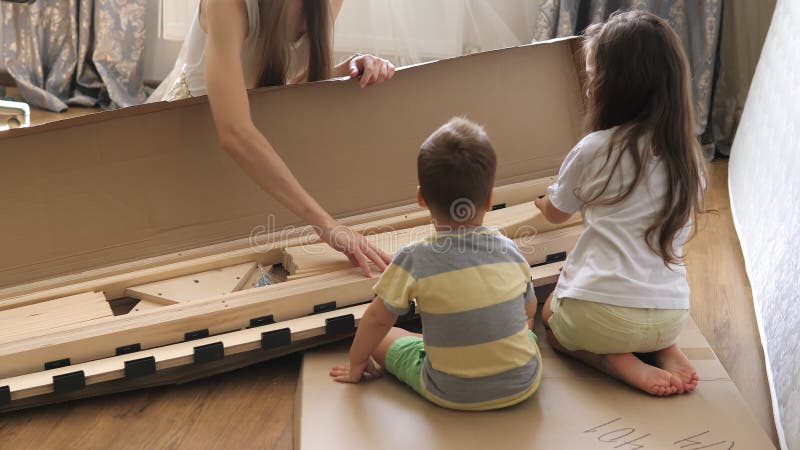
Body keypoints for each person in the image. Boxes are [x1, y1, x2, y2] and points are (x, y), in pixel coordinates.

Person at [149, 0, 397, 276]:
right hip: (197, 141)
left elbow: (288, 84)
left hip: (260, 135)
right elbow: (233, 132)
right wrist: (326, 225)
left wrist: (348, 68)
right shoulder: (230, 5)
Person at [534, 11, 708, 396]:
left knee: (551, 319)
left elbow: (557, 212)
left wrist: (544, 201)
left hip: (600, 316)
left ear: (610, 86)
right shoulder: (689, 156)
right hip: (671, 313)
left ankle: (617, 363)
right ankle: (666, 349)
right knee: (640, 307)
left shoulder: (594, 149)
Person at [329, 117, 542, 411]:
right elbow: (529, 310)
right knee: (523, 324)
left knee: (384, 337)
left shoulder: (414, 258)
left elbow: (377, 320)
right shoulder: (509, 248)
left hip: (449, 391)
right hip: (523, 383)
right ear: (490, 199)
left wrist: (357, 364)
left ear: (420, 197)